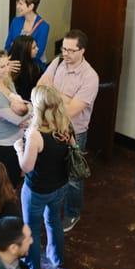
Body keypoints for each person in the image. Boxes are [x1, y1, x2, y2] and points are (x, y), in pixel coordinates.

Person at [37, 29, 99, 233]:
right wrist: (64, 97)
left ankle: (73, 212)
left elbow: (72, 111)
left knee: (73, 177)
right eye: (64, 48)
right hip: (51, 127)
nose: (66, 54)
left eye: (71, 50)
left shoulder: (90, 77)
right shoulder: (56, 63)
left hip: (74, 132)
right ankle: (53, 207)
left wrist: (53, 94)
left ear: (83, 51)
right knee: (53, 170)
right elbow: (39, 88)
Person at [14, 85, 71, 269]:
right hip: (60, 185)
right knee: (54, 221)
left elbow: (27, 167)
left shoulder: (35, 135)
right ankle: (58, 258)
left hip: (37, 190)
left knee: (32, 231)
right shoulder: (65, 126)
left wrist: (18, 148)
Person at [0, 50, 32, 188]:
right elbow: (18, 119)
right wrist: (31, 108)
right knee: (4, 186)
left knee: (14, 181)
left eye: (7, 64)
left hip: (18, 139)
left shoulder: (7, 82)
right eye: (2, 66)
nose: (7, 69)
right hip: (3, 146)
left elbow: (22, 107)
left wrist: (27, 109)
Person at [5, 0, 50, 71]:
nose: (17, 7)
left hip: (34, 66)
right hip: (16, 64)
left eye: (20, 4)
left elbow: (38, 53)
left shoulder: (43, 26)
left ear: (31, 6)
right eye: (17, 3)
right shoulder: (15, 21)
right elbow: (8, 46)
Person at [9, 35, 41, 101]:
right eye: (33, 47)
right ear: (24, 50)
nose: (37, 49)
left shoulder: (34, 66)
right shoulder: (32, 70)